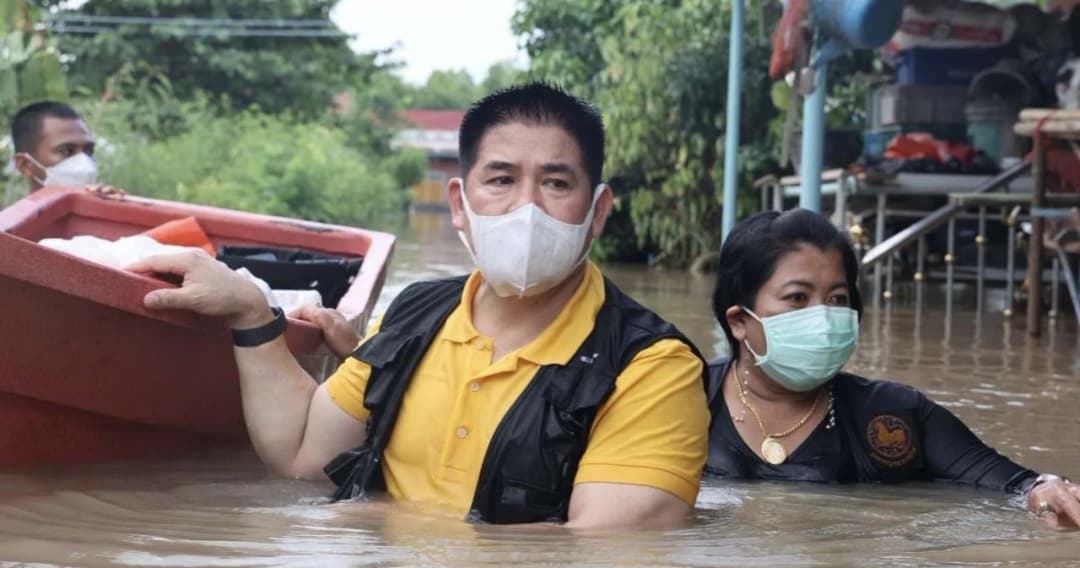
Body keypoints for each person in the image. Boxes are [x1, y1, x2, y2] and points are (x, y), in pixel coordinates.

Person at [126, 83, 710, 529]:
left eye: (556, 184)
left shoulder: (649, 367)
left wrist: (371, 518)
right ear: (460, 203)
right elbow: (303, 457)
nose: (525, 208)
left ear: (598, 211)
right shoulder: (416, 313)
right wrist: (252, 314)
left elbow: (607, 552)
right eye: (501, 179)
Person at [706, 208, 1080, 529]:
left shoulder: (894, 415)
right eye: (797, 298)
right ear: (739, 320)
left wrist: (1046, 491)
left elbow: (1016, 486)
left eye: (837, 299)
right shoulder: (682, 397)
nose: (822, 317)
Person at [9, 101, 122, 199]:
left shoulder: (100, 216)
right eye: (67, 151)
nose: (84, 164)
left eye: (88, 151)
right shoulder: (10, 223)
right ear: (25, 165)